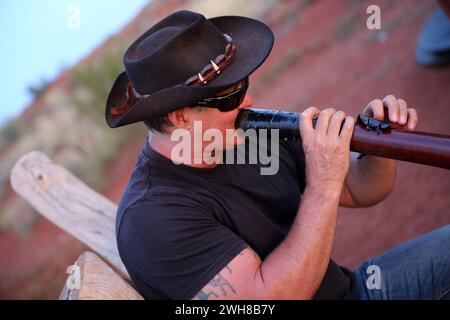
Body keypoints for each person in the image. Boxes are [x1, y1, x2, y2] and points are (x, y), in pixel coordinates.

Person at [105, 10, 449, 300]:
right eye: (229, 96)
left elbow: (361, 190)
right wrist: (322, 184)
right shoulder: (152, 220)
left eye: (244, 84)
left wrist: (376, 142)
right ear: (180, 117)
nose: (248, 103)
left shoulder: (248, 135)